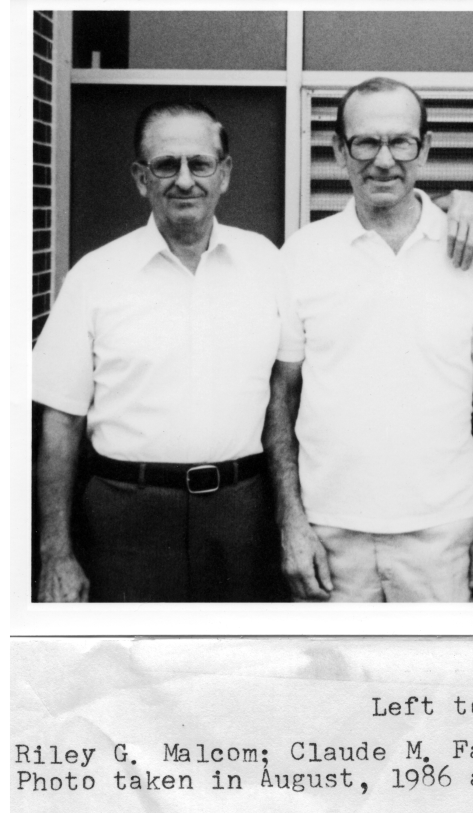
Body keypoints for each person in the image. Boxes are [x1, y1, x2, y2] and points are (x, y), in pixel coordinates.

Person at [264, 77, 473, 602]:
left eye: (401, 141)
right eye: (365, 142)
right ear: (339, 150)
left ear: (424, 148)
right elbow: (280, 398)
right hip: (330, 535)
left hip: (447, 533)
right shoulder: (301, 254)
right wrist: (292, 521)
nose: (384, 160)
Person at [32, 100, 289, 602]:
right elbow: (60, 422)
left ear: (226, 173)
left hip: (241, 515)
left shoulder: (267, 262)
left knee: (238, 672)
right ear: (140, 177)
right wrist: (55, 552)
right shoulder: (94, 275)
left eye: (201, 163)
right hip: (125, 519)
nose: (185, 180)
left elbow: (287, 391)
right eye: (166, 165)